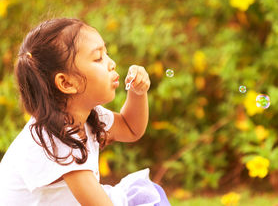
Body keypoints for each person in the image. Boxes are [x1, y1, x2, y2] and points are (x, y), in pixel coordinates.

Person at [0, 18, 171, 206]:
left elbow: (131, 128)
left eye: (106, 53)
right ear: (66, 83)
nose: (111, 63)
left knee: (148, 195)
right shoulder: (56, 142)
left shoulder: (84, 115)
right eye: (98, 58)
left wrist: (137, 94)